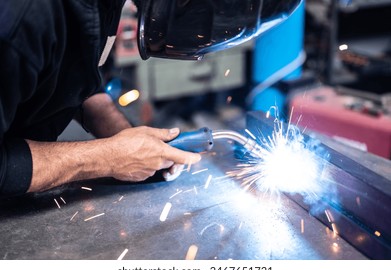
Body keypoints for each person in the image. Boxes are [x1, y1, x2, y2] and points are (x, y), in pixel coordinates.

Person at [0, 0, 300, 197]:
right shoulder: (20, 20)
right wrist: (104, 158)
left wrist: (120, 134)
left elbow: (78, 74)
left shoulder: (99, 4)